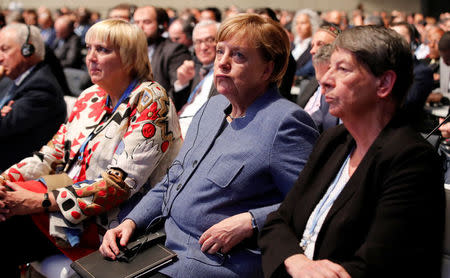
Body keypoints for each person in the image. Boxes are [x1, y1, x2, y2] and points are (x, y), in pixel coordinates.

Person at [100, 14, 318, 277]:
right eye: (220, 51)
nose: (222, 63)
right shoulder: (213, 107)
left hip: (213, 262)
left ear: (267, 70)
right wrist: (132, 221)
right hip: (162, 244)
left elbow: (311, 201)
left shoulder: (286, 122)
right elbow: (173, 179)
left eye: (238, 55)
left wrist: (251, 221)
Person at [0, 19, 182, 277]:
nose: (91, 58)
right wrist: (5, 181)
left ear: (130, 57)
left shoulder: (152, 100)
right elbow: (51, 155)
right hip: (69, 207)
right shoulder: (90, 96)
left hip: (117, 224)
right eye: (89, 49)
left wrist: (39, 201)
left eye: (103, 50)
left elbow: (117, 185)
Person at [259, 25, 444, 278]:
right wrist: (297, 262)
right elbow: (277, 222)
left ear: (384, 84)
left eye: (343, 69)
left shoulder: (411, 161)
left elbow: (380, 265)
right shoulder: (333, 141)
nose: (324, 79)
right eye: (330, 67)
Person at [0, 23, 66, 171]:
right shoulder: (11, 79)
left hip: (14, 170)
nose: (0, 58)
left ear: (27, 50)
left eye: (4, 49)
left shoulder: (42, 87)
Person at [133, 6, 192, 111]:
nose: (140, 27)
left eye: (147, 22)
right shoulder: (128, 50)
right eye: (136, 22)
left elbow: (178, 92)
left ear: (162, 26)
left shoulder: (174, 50)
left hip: (157, 112)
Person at [175, 20, 219, 137]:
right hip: (177, 128)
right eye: (198, 42)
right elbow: (174, 104)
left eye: (210, 40)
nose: (203, 47)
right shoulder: (193, 66)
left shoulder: (225, 73)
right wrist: (182, 83)